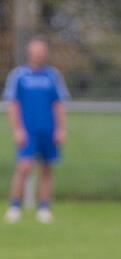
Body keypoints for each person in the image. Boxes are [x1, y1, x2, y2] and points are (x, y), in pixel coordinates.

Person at [3, 36, 68, 224]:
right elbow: (13, 105)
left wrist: (61, 129)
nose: (39, 55)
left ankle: (44, 208)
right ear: (29, 53)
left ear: (45, 53)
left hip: (48, 129)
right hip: (28, 130)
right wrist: (17, 129)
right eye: (35, 51)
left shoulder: (52, 76)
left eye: (42, 51)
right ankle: (15, 206)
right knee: (24, 167)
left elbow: (58, 104)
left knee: (47, 168)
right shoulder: (19, 75)